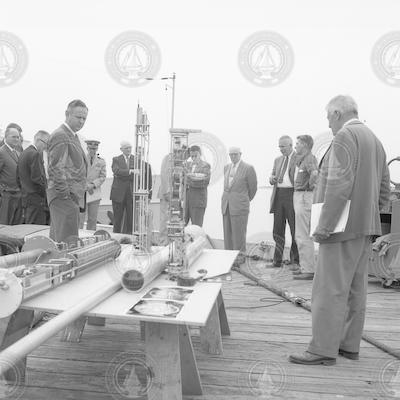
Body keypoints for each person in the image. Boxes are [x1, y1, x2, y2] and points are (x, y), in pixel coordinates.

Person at [289, 95, 390, 366]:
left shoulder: (346, 136)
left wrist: (324, 227)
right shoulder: (374, 139)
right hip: (365, 227)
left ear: (336, 113)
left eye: (327, 116)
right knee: (356, 289)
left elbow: (337, 186)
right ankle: (348, 345)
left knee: (328, 289)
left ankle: (322, 349)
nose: (327, 122)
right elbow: (384, 188)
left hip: (341, 227)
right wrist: (369, 214)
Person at [47, 99, 88, 242]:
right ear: (67, 114)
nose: (82, 121)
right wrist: (65, 195)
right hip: (64, 195)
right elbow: (55, 167)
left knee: (60, 240)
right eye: (78, 117)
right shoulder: (61, 135)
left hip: (69, 196)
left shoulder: (73, 136)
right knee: (67, 241)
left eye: (84, 118)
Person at [221, 146, 257, 263]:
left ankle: (240, 257)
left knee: (239, 233)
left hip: (240, 205)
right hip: (226, 205)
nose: (233, 157)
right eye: (231, 154)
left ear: (240, 154)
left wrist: (243, 199)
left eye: (235, 154)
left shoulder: (248, 168)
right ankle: (228, 256)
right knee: (227, 233)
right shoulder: (226, 167)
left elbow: (253, 189)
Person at [269, 136, 299, 268]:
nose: (281, 149)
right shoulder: (277, 160)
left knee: (295, 229)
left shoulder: (298, 158)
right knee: (277, 229)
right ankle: (277, 260)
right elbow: (272, 175)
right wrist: (272, 178)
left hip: (292, 194)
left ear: (291, 145)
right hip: (279, 195)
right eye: (279, 146)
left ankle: (295, 260)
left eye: (283, 146)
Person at [291, 135, 319, 280]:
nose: (295, 146)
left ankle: (308, 269)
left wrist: (310, 187)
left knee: (302, 234)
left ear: (305, 145)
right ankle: (306, 266)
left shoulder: (309, 158)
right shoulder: (302, 159)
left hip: (304, 196)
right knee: (301, 233)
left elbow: (315, 173)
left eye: (298, 143)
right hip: (301, 196)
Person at [110, 141, 152, 234]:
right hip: (118, 194)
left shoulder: (135, 159)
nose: (129, 150)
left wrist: (125, 174)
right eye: (126, 148)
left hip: (131, 193)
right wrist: (130, 172)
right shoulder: (116, 159)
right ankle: (116, 236)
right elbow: (116, 171)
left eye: (130, 148)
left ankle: (129, 238)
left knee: (131, 219)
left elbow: (138, 174)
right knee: (117, 219)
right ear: (121, 149)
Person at [17, 130, 50, 225]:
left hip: (26, 197)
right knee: (34, 229)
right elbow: (37, 179)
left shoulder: (24, 153)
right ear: (39, 140)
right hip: (36, 200)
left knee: (28, 227)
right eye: (46, 144)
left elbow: (18, 177)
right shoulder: (35, 154)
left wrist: (25, 190)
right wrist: (45, 194)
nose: (45, 147)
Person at [79, 139, 106, 231]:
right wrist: (85, 184)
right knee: (80, 219)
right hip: (82, 192)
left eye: (94, 149)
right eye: (90, 148)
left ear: (97, 149)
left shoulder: (101, 162)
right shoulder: (81, 159)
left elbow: (103, 176)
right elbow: (77, 173)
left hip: (94, 193)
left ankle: (90, 237)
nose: (92, 150)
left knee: (92, 219)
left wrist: (93, 184)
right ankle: (78, 236)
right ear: (87, 148)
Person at [0, 123, 24, 225]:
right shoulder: (1, 152)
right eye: (13, 137)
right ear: (6, 137)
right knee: (4, 224)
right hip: (6, 194)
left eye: (18, 137)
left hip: (18, 194)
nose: (16, 139)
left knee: (15, 225)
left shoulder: (17, 153)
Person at [185, 145, 211, 227]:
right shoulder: (187, 165)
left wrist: (189, 179)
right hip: (186, 202)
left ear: (200, 154)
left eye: (195, 156)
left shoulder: (205, 166)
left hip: (198, 201)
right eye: (191, 156)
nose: (193, 158)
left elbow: (204, 182)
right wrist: (194, 177)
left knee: (196, 228)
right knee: (181, 227)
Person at [157, 153, 171, 245]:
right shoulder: (168, 158)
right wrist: (167, 192)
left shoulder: (180, 159)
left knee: (171, 218)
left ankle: (169, 240)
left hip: (175, 194)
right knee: (165, 218)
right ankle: (162, 241)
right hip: (167, 193)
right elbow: (164, 175)